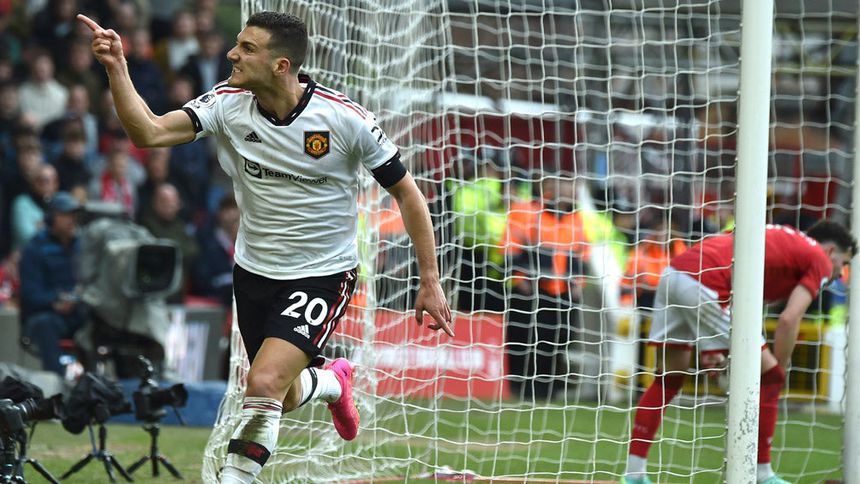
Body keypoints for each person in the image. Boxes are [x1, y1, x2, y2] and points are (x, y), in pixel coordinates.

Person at [79, 10, 454, 484]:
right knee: (285, 394)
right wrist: (117, 67)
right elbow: (148, 132)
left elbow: (408, 194)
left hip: (322, 274)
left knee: (262, 383)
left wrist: (429, 279)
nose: (232, 54)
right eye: (237, 44)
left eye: (247, 48)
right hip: (254, 271)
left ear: (281, 65)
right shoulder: (227, 104)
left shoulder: (344, 119)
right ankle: (333, 381)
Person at [621, 221, 856, 484]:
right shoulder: (819, 259)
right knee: (770, 376)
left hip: (675, 273)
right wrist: (778, 368)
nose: (840, 273)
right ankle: (762, 474)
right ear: (831, 250)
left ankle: (633, 474)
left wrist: (711, 344)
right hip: (705, 282)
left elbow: (730, 263)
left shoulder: (783, 240)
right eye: (844, 263)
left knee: (668, 378)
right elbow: (789, 319)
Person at [18, 191, 86, 375]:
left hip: (77, 312)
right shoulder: (35, 249)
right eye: (66, 214)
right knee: (45, 324)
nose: (72, 219)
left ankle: (100, 380)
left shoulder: (82, 246)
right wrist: (55, 301)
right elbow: (30, 294)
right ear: (52, 217)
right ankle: (56, 381)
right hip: (45, 315)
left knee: (103, 320)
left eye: (74, 214)